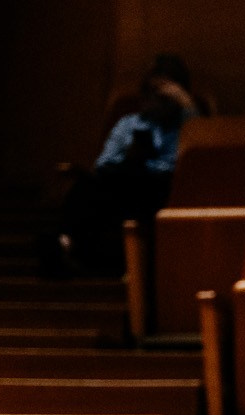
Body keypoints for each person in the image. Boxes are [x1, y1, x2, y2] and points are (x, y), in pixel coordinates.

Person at [58, 55, 197, 275]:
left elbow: (198, 160)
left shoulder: (188, 126)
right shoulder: (128, 124)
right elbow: (103, 164)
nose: (158, 99)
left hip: (164, 188)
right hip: (124, 182)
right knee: (85, 187)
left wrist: (186, 106)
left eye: (166, 95)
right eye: (154, 92)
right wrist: (131, 157)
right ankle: (65, 246)